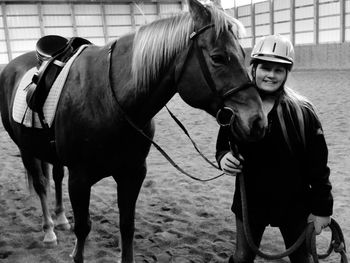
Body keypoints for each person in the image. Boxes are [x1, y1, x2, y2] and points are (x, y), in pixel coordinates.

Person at [216, 34, 333, 263]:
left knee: (302, 258)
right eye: (265, 68)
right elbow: (224, 142)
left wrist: (322, 209)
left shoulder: (303, 112)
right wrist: (223, 157)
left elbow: (319, 166)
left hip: (294, 202)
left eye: (278, 70)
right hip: (251, 200)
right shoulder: (235, 108)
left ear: (286, 73)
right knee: (242, 258)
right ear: (254, 68)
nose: (270, 75)